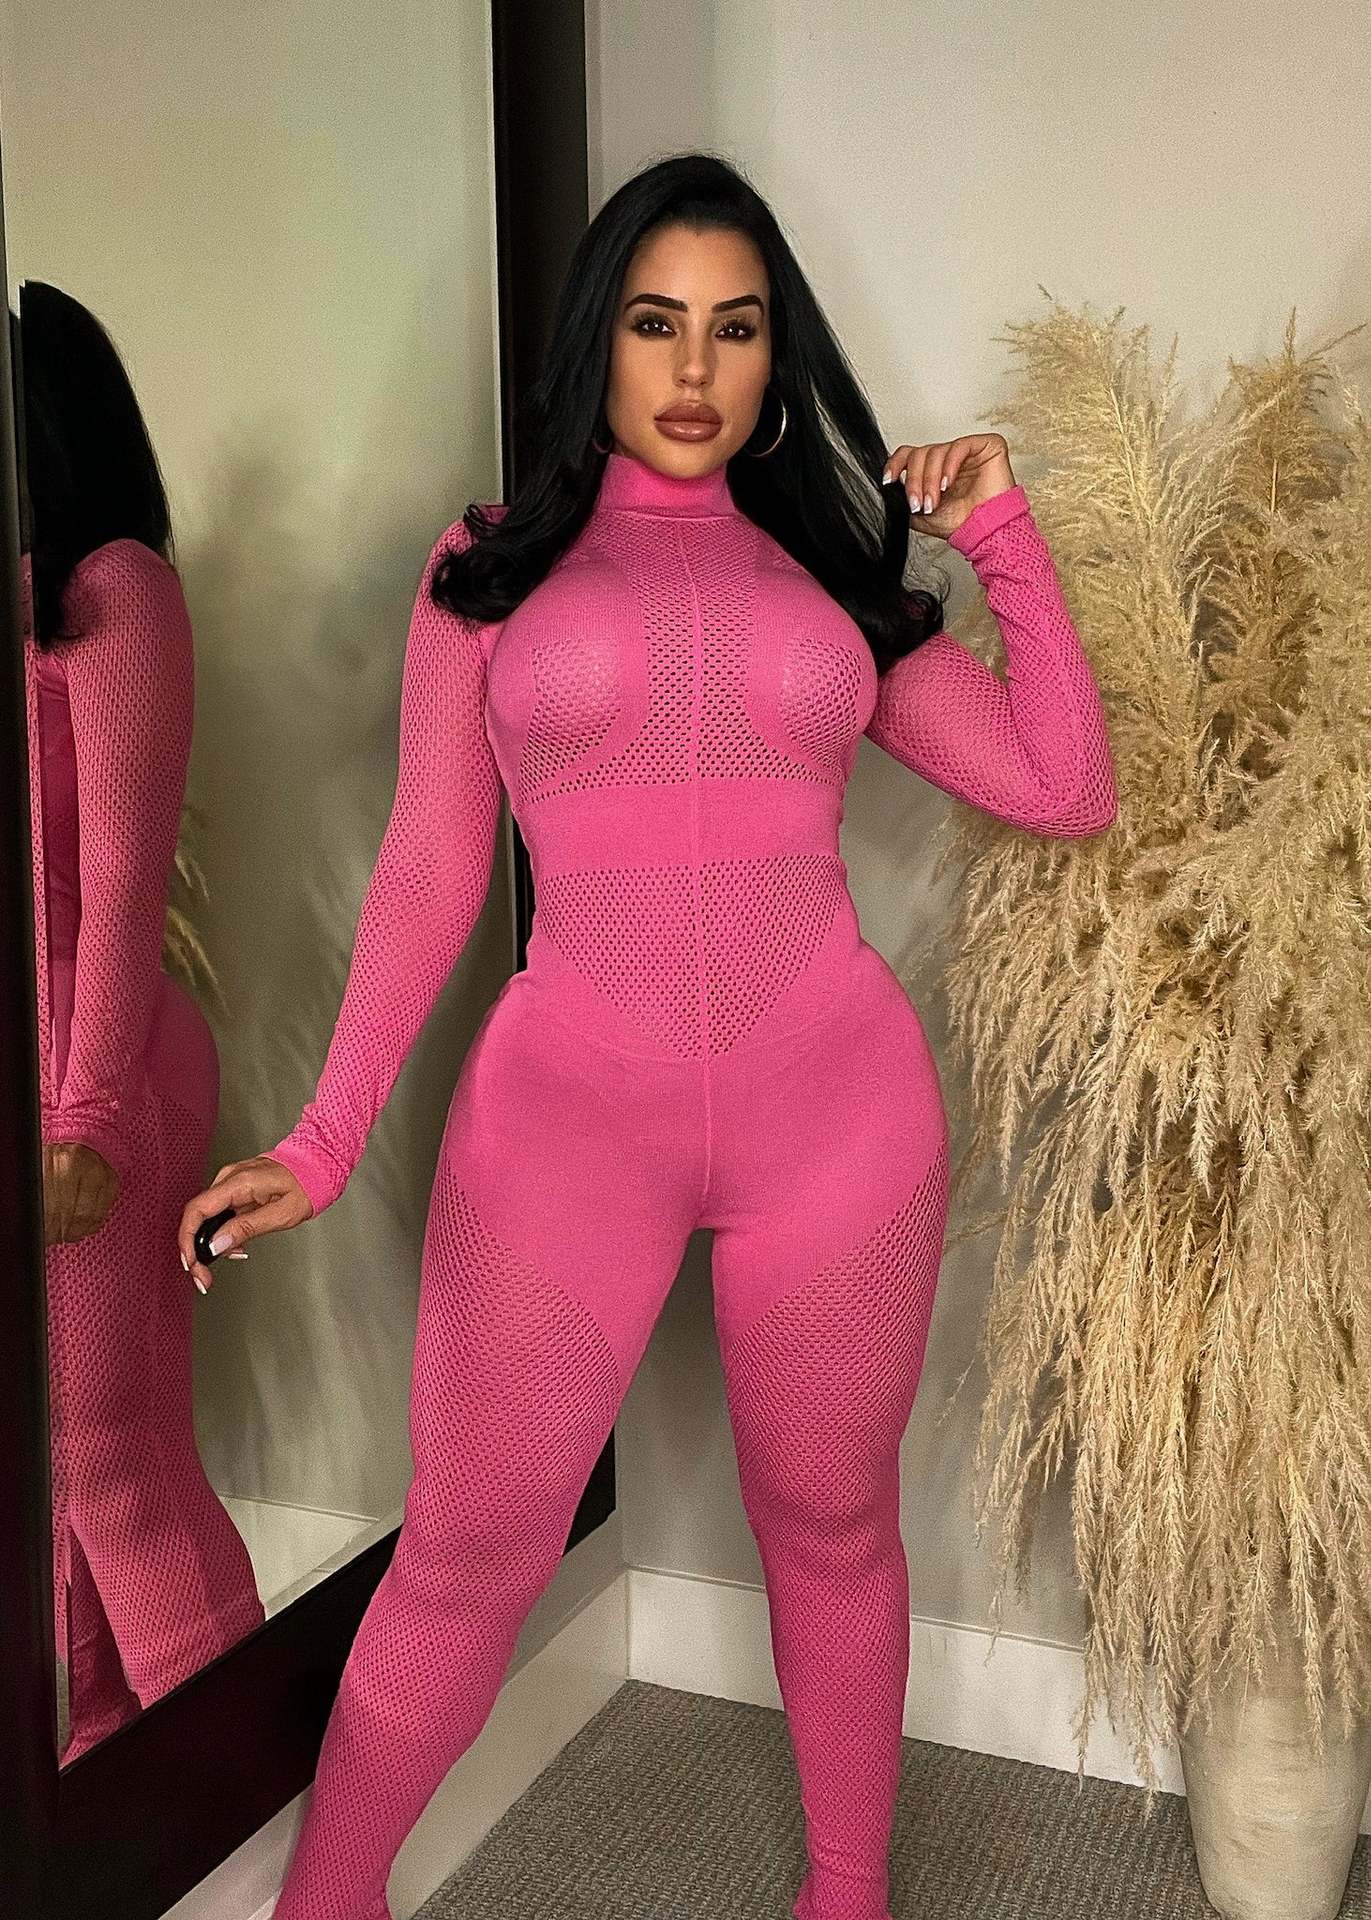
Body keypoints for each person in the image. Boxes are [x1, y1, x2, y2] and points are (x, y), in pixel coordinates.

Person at [178, 152, 1117, 1920]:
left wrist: (1000, 530)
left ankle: (848, 1898)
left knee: (832, 1529)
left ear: (777, 357)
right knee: (469, 1551)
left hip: (836, 1118)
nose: (693, 369)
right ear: (595, 343)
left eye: (735, 330)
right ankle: (328, 1903)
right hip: (565, 1118)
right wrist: (321, 1136)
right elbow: (434, 865)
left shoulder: (832, 563)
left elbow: (1061, 786)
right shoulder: (484, 566)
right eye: (654, 322)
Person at [20, 286, 264, 1764]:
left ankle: (229, 1776)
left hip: (98, 1083)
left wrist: (88, 1117)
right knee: (56, 1470)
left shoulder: (124, 590)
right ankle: (104, 1760)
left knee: (111, 1455)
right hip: (46, 1076)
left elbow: (121, 884)